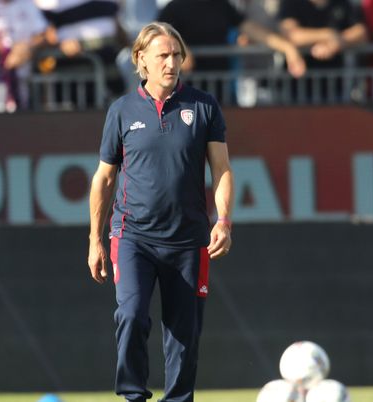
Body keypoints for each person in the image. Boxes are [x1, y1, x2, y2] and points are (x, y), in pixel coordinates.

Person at [88, 22, 234, 402]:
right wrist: (94, 240)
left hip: (188, 238)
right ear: (141, 61)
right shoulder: (121, 111)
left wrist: (224, 221)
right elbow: (104, 179)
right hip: (133, 234)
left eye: (176, 55)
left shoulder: (203, 106)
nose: (171, 63)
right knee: (132, 315)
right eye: (162, 56)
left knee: (184, 334)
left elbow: (221, 169)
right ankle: (133, 396)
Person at [158, 0, 305, 77]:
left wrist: (287, 48)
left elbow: (253, 30)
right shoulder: (174, 7)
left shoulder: (222, 5)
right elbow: (157, 34)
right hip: (184, 92)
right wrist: (179, 51)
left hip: (218, 92)